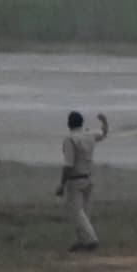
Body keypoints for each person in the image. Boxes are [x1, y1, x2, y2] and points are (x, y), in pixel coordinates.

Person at [56, 108, 108, 252]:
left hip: (75, 180)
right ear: (81, 122)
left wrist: (61, 184)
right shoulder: (89, 135)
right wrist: (104, 121)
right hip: (88, 178)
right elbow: (104, 133)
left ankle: (91, 239)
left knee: (76, 211)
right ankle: (82, 241)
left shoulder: (70, 139)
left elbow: (68, 165)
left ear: (69, 124)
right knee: (85, 211)